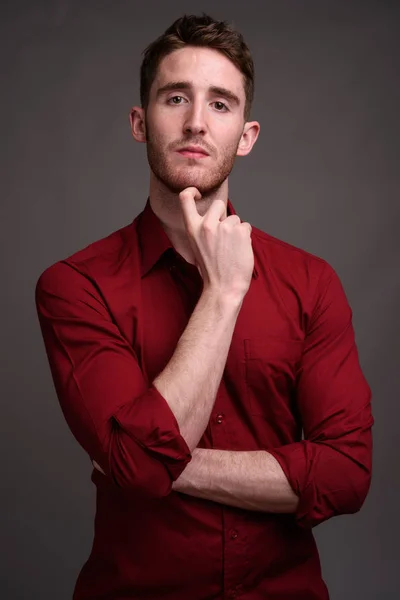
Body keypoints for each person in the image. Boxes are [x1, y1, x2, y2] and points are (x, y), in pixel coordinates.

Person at [35, 13, 374, 600]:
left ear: (246, 135)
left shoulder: (311, 282)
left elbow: (346, 475)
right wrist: (223, 293)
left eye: (221, 104)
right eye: (175, 98)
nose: (196, 122)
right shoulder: (74, 285)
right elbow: (140, 471)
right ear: (140, 123)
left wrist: (166, 465)